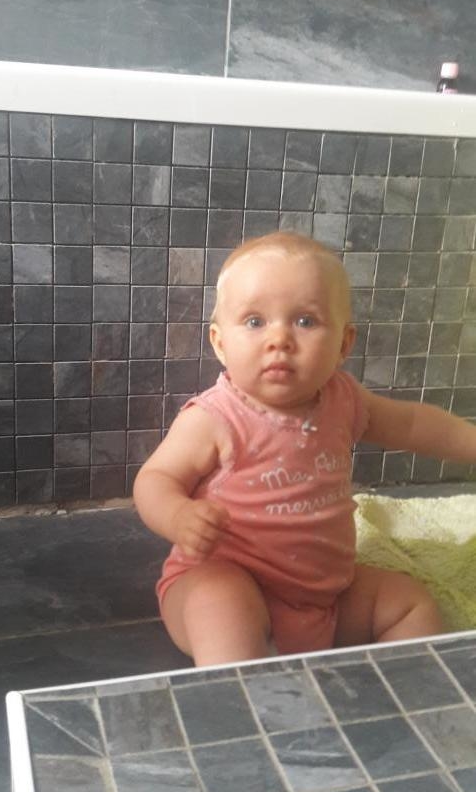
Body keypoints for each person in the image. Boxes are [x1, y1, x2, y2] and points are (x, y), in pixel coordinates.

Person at [134, 231, 475, 666]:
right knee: (220, 603)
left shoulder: (345, 400)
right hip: (226, 580)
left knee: (408, 601)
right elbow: (155, 479)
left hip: (325, 599)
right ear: (220, 343)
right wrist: (179, 516)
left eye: (305, 321)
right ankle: (241, 691)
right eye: (254, 322)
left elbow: (411, 425)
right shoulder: (214, 417)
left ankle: (411, 687)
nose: (279, 339)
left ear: (343, 344)